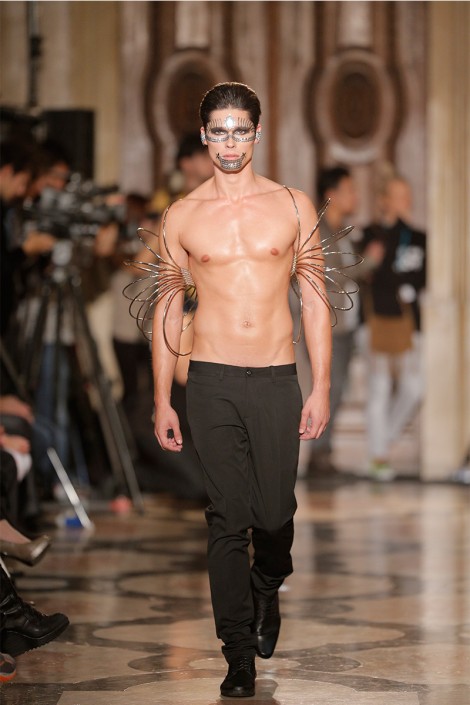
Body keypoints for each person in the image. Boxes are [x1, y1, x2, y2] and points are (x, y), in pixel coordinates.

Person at [149, 83, 332, 698]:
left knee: (275, 517)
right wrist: (162, 399)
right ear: (205, 136)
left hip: (277, 378)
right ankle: (237, 655)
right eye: (220, 131)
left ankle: (267, 584)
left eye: (241, 130)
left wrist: (321, 386)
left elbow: (315, 300)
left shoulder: (292, 205)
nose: (230, 143)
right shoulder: (182, 216)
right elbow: (167, 311)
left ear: (257, 133)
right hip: (211, 380)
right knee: (227, 518)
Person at [361, 176, 426, 480]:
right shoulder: (368, 235)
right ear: (383, 199)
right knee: (380, 389)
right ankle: (379, 458)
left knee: (414, 388)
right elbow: (365, 274)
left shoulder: (417, 238)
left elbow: (420, 279)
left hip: (407, 325)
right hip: (374, 324)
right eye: (398, 195)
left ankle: (381, 442)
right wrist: (378, 262)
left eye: (407, 195)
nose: (405, 201)